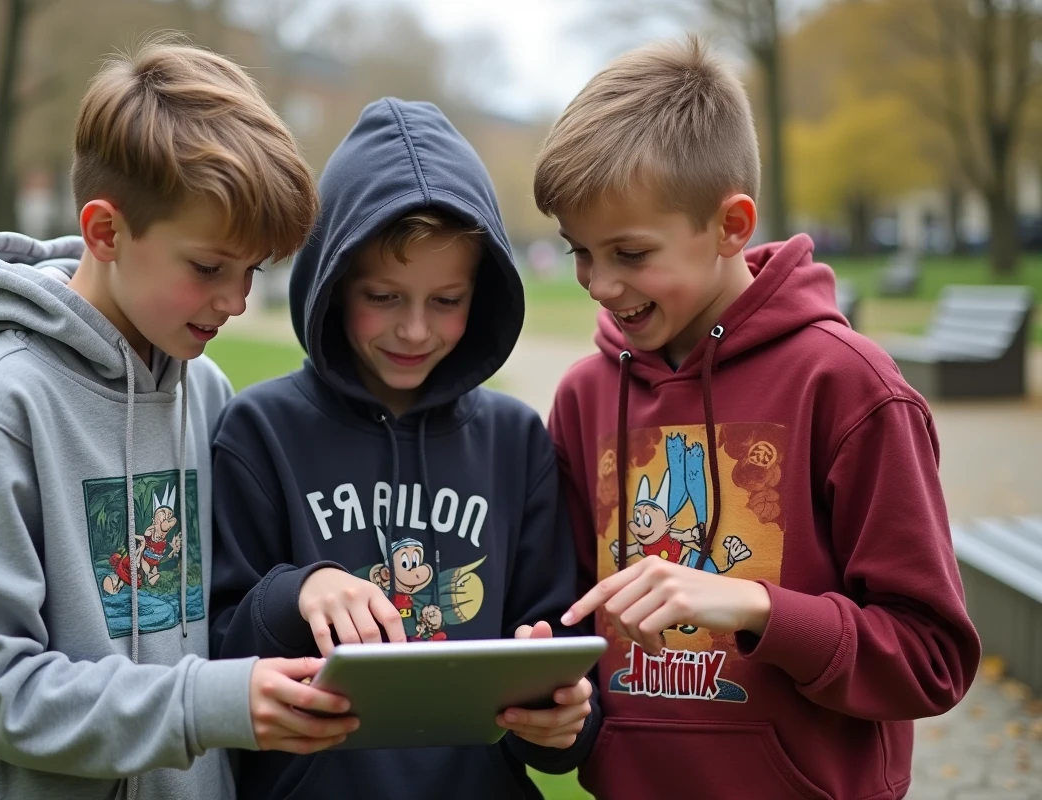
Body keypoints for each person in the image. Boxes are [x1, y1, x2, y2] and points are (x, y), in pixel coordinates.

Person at [0, 36, 357, 800]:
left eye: (251, 270)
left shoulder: (205, 391)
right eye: (209, 267)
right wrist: (202, 705)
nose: (236, 300)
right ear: (106, 232)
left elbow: (230, 607)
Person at [534, 36, 982, 799]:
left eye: (629, 254)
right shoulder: (584, 396)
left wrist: (759, 607)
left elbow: (930, 659)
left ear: (731, 226)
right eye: (579, 252)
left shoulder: (848, 386)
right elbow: (575, 627)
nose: (599, 284)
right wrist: (553, 703)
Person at [209, 98, 599, 800]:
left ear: (481, 293)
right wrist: (298, 591)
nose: (415, 330)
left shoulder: (515, 442)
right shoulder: (258, 432)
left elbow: (561, 667)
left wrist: (563, 718)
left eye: (446, 300)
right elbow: (215, 651)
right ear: (333, 285)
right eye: (384, 297)